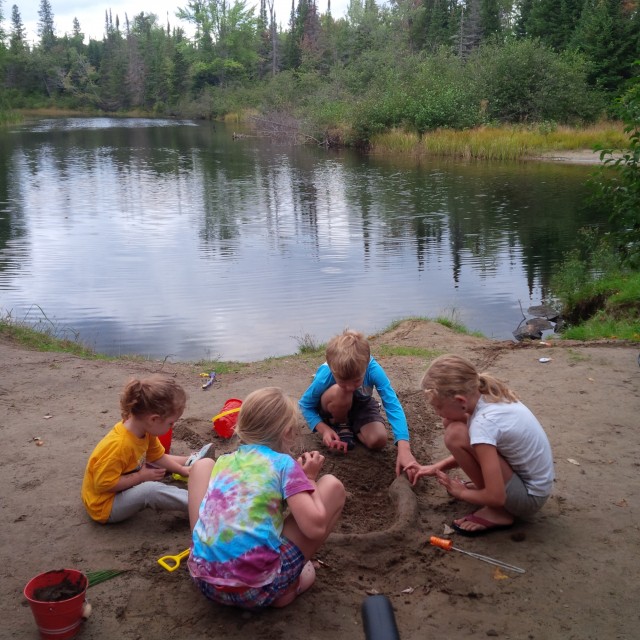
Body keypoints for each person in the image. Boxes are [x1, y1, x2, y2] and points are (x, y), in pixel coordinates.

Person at [187, 387, 345, 610]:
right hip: (256, 590)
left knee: (202, 465)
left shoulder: (224, 461)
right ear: (288, 432)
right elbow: (314, 528)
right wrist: (309, 479)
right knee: (333, 487)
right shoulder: (284, 465)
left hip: (204, 581)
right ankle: (287, 588)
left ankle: (206, 549)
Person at [405, 354, 554, 536]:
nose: (438, 413)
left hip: (528, 498)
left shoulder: (483, 424)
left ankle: (498, 513)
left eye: (438, 406)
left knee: (455, 435)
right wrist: (438, 466)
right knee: (452, 425)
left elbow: (496, 496)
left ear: (460, 401)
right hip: (530, 483)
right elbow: (480, 451)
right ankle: (487, 490)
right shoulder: (487, 395)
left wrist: (460, 492)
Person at [82, 374, 211, 524]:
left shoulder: (144, 431)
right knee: (150, 490)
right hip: (105, 505)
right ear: (154, 419)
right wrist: (141, 477)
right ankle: (203, 506)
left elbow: (157, 456)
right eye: (171, 423)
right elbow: (104, 484)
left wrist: (181, 470)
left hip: (126, 478)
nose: (173, 426)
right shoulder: (118, 446)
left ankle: (190, 463)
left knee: (154, 465)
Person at [299, 329, 416, 476]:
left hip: (361, 404)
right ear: (332, 369)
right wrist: (324, 429)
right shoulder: (327, 373)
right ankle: (339, 425)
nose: (350, 386)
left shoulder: (373, 370)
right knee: (342, 392)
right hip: (333, 403)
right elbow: (305, 404)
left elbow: (392, 403)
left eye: (356, 381)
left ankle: (353, 428)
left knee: (378, 441)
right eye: (343, 381)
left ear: (366, 365)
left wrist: (404, 449)